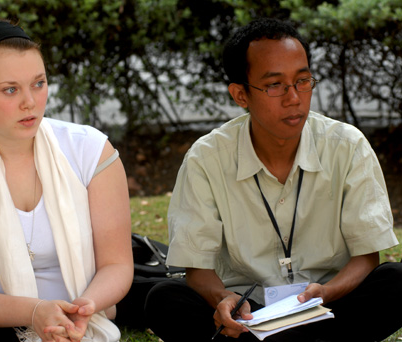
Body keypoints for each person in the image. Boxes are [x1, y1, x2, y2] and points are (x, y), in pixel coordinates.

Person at [144, 18, 402, 342]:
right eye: (275, 85)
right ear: (241, 95)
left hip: (329, 306)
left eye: (303, 81)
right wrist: (223, 300)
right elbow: (197, 270)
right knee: (164, 298)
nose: (294, 97)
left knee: (397, 279)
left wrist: (327, 291)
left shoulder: (347, 146)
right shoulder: (205, 160)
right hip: (249, 314)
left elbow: (367, 255)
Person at [0, 19, 133, 342]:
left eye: (38, 83)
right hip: (2, 321)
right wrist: (34, 313)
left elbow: (117, 263)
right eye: (11, 89)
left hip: (86, 310)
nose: (30, 102)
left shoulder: (90, 150)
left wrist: (82, 310)